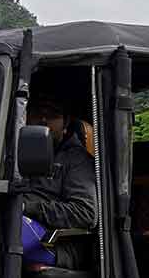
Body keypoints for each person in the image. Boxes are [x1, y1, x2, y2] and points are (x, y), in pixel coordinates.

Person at [22, 93, 98, 234]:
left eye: (53, 115)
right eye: (37, 113)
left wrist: (27, 208)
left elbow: (86, 213)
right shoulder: (9, 154)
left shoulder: (76, 159)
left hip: (53, 243)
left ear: (66, 123)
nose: (43, 120)